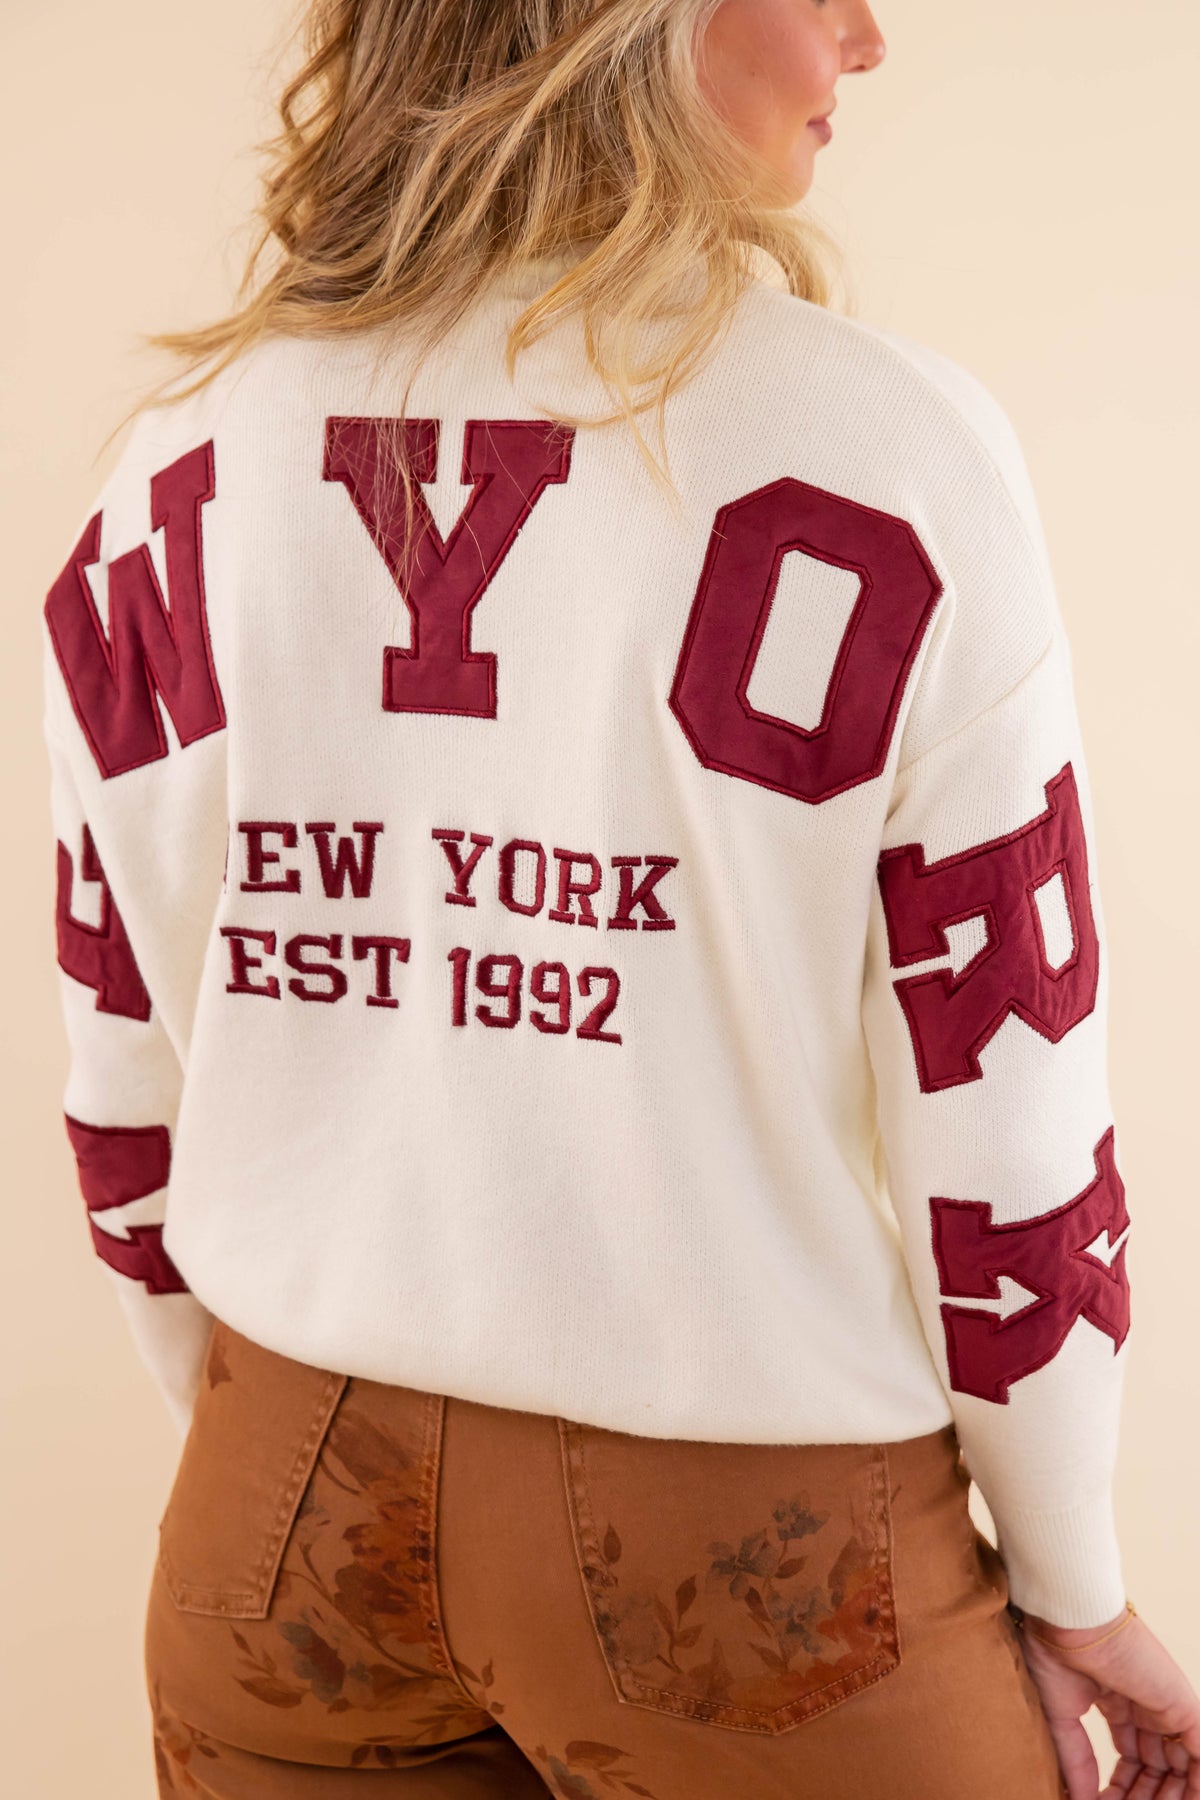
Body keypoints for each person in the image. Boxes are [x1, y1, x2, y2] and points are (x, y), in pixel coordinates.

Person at [38, 1, 1198, 1796]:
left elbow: (121, 1061)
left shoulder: (172, 461)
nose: (867, 38)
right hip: (756, 1552)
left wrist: (246, 1414)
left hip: (281, 1501)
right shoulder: (892, 454)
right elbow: (1006, 1099)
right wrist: (1070, 1578)